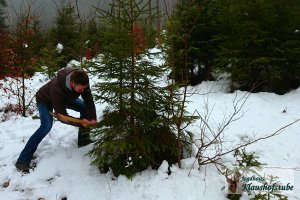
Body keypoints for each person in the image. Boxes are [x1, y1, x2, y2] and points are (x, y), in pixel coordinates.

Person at [15, 67, 97, 173]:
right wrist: (81, 124)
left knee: (84, 108)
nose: (82, 91)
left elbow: (89, 101)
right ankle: (22, 161)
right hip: (45, 99)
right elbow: (62, 116)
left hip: (66, 98)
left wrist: (93, 118)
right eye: (80, 89)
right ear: (72, 84)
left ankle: (83, 140)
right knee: (46, 126)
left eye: (84, 89)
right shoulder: (57, 88)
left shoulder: (82, 81)